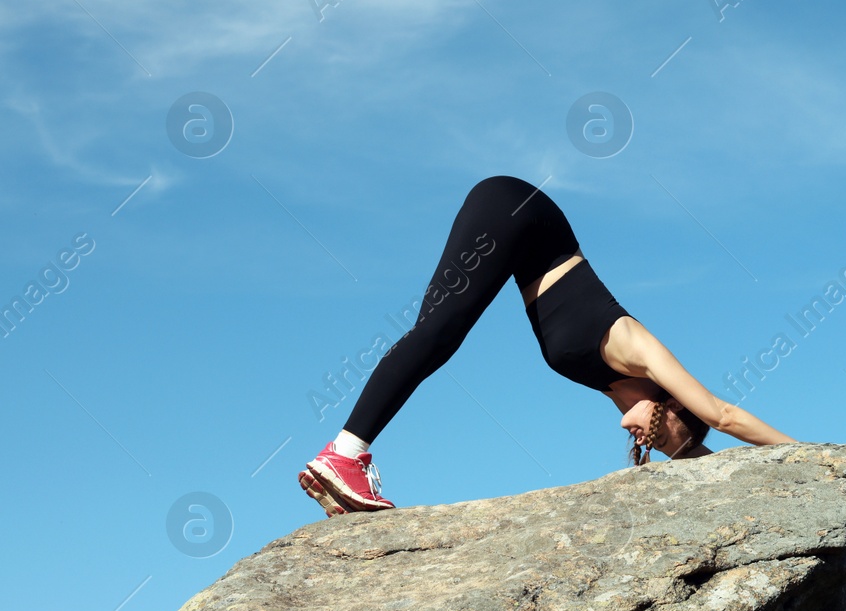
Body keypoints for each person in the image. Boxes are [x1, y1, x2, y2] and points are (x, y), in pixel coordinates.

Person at [297, 175, 794, 516]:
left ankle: (342, 459)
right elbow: (723, 416)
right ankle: (346, 454)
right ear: (668, 403)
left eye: (656, 448)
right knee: (438, 334)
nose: (645, 441)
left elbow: (699, 453)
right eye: (658, 436)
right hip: (518, 210)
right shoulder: (634, 346)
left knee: (438, 333)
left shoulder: (613, 385)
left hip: (515, 233)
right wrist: (815, 460)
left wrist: (747, 482)